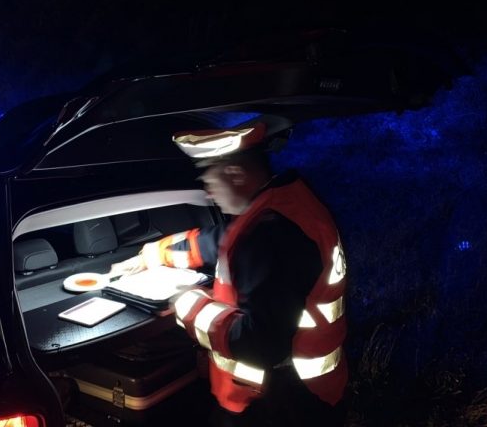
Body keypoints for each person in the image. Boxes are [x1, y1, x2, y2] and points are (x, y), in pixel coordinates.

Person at [110, 122, 348, 426]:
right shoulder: (285, 205)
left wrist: (188, 303)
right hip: (305, 393)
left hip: (277, 404)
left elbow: (259, 345)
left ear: (235, 173)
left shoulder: (268, 237)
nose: (208, 193)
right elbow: (217, 240)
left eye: (209, 179)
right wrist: (152, 255)